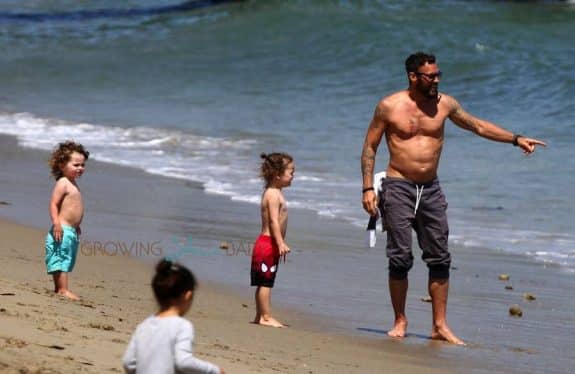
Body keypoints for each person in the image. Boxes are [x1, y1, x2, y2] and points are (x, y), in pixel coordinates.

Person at [360, 52, 546, 345]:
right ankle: (400, 320)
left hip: (431, 189)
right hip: (398, 186)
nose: (436, 80)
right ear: (412, 77)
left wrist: (515, 138)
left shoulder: (445, 104)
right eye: (430, 76)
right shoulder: (389, 106)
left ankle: (439, 325)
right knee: (400, 257)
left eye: (438, 75)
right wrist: (368, 188)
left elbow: (478, 126)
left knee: (439, 257)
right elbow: (370, 147)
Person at [122, 259, 224, 374]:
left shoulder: (143, 326)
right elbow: (183, 362)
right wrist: (214, 370)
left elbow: (128, 362)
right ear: (188, 295)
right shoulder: (182, 326)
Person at [251, 152, 295, 328]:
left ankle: (259, 315)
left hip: (267, 244)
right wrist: (280, 242)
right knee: (266, 282)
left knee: (264, 281)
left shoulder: (274, 192)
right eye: (291, 172)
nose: (293, 176)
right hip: (269, 243)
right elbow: (273, 221)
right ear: (277, 174)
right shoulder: (273, 194)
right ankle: (266, 317)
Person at [45, 140, 89, 300]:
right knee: (61, 258)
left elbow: (72, 208)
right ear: (62, 165)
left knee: (66, 258)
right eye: (76, 165)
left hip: (70, 230)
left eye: (83, 165)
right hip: (61, 229)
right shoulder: (63, 183)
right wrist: (56, 223)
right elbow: (53, 204)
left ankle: (59, 289)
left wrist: (76, 225)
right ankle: (63, 289)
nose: (80, 168)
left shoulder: (73, 183)